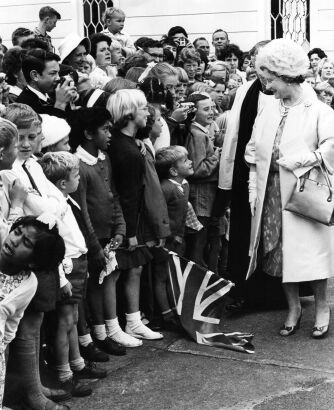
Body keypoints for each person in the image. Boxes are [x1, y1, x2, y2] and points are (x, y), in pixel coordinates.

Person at [245, 38, 334, 339]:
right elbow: (253, 150)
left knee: (311, 252)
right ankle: (293, 308)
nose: (268, 86)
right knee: (281, 254)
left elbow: (331, 148)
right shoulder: (268, 108)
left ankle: (322, 308)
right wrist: (253, 190)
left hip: (304, 193)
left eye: (271, 80)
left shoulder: (317, 110)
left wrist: (302, 159)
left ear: (286, 75)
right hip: (271, 192)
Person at [39, 151, 106, 395]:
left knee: (74, 318)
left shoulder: (67, 198)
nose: (80, 179)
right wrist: (61, 277)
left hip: (78, 263)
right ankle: (64, 373)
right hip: (67, 266)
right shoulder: (55, 204)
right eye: (76, 175)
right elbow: (55, 242)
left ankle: (77, 363)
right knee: (64, 322)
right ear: (63, 182)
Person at [107, 89, 164, 343]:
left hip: (132, 216)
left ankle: (133, 320)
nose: (147, 112)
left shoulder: (129, 142)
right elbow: (128, 193)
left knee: (136, 268)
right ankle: (125, 323)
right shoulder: (126, 149)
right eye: (142, 108)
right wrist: (130, 231)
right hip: (128, 219)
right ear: (129, 113)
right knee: (124, 270)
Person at [2, 216, 66, 409]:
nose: (14, 240)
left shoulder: (28, 285)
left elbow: (11, 327)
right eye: (17, 232)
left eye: (26, 243)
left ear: (34, 262)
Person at [154, 145, 193, 328]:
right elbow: (160, 215)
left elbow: (183, 215)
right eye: (185, 161)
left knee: (173, 276)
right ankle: (165, 314)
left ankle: (176, 309)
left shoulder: (184, 185)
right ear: (173, 170)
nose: (191, 162)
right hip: (166, 241)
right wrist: (170, 237)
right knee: (161, 277)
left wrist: (181, 235)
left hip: (178, 239)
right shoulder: (166, 188)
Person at [183, 93, 219, 268]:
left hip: (205, 195)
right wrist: (216, 156)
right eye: (206, 109)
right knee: (198, 243)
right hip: (201, 195)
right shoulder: (197, 135)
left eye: (212, 108)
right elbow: (197, 170)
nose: (211, 112)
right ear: (194, 112)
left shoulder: (202, 132)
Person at [17, 49, 76, 118]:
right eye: (53, 73)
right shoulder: (24, 107)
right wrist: (60, 104)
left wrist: (69, 100)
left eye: (58, 73)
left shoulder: (52, 95)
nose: (58, 78)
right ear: (35, 75)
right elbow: (53, 128)